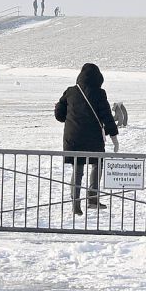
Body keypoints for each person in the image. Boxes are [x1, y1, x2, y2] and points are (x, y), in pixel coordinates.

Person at [54, 63, 119, 216]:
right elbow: (107, 117)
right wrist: (114, 138)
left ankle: (75, 201)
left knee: (78, 169)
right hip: (93, 138)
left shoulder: (70, 92)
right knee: (97, 164)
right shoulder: (99, 93)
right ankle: (92, 198)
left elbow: (59, 115)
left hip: (72, 137)